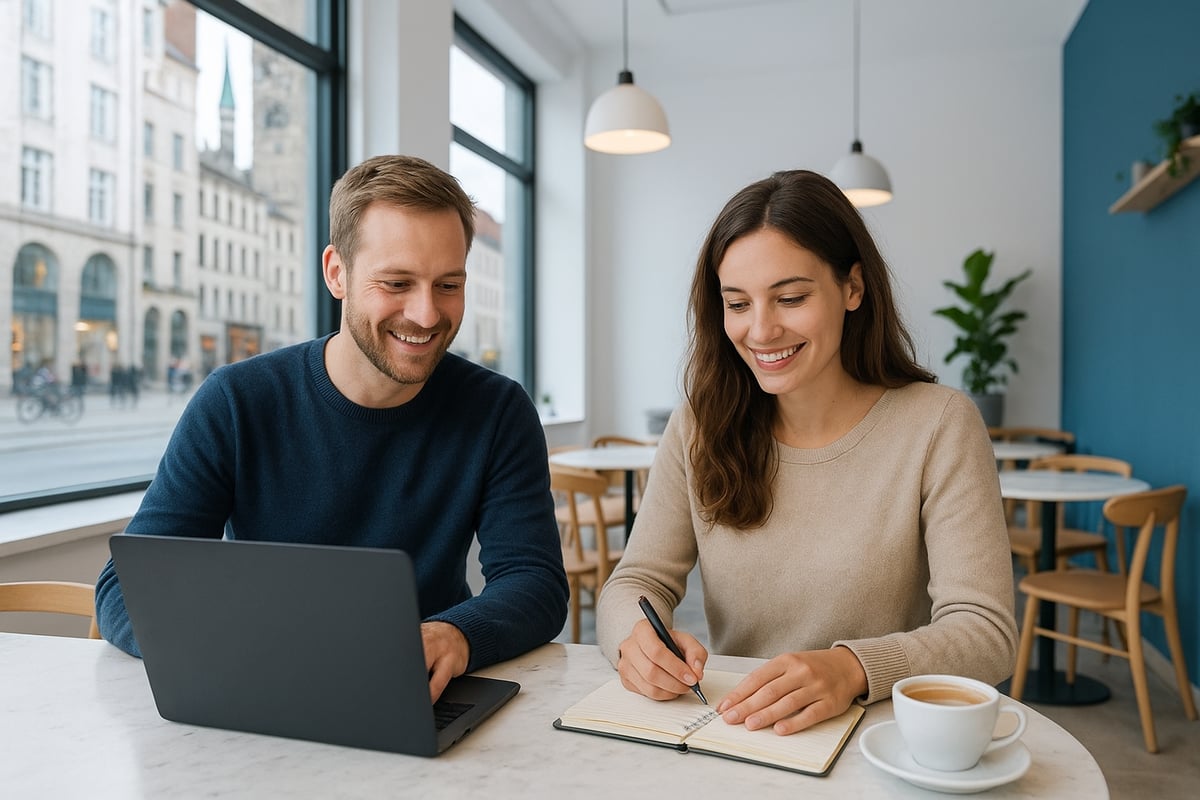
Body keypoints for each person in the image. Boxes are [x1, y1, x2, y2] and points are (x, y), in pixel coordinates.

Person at [96, 154, 569, 701]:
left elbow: (534, 582)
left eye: (448, 284)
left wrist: (457, 634)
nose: (426, 314)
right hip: (263, 691)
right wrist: (259, 651)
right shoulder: (236, 401)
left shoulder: (497, 410)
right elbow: (124, 590)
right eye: (396, 283)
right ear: (336, 273)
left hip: (419, 692)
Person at [596, 170, 1017, 736]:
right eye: (737, 304)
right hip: (744, 736)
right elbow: (636, 580)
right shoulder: (700, 425)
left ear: (852, 288)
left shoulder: (939, 424)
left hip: (882, 740)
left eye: (790, 298)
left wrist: (851, 669)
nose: (761, 330)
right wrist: (635, 639)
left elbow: (985, 632)